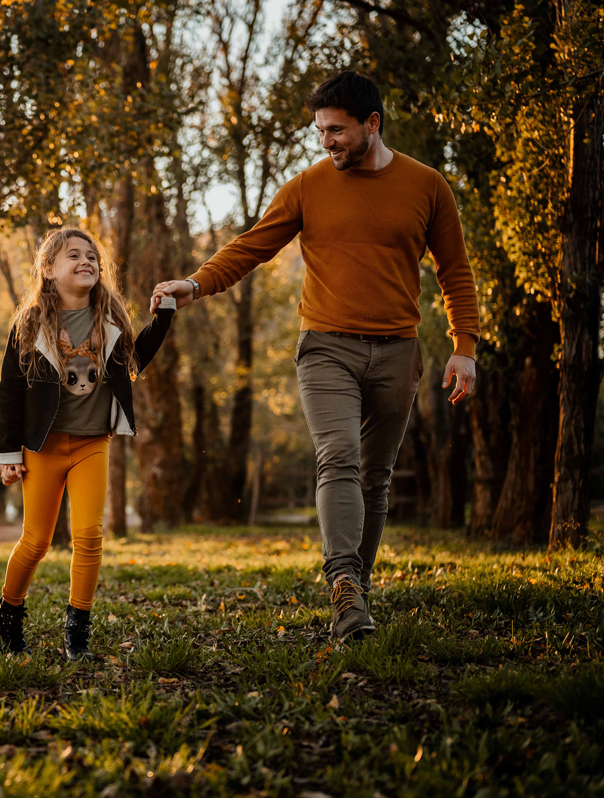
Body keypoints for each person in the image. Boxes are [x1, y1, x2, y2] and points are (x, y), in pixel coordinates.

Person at [150, 71, 481, 644]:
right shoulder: (307, 186)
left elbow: (455, 271)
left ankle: (358, 591)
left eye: (337, 130)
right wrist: (195, 284)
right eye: (320, 131)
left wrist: (465, 347)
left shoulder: (428, 186)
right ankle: (343, 584)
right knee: (340, 457)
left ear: (371, 124)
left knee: (375, 479)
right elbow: (252, 246)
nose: (326, 141)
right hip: (326, 346)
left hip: (400, 350)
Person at [0, 228, 177, 661]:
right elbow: (12, 393)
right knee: (35, 540)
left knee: (89, 536)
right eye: (73, 255)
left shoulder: (109, 318)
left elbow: (132, 362)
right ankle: (7, 613)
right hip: (43, 447)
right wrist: (8, 453)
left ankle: (77, 634)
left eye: (91, 256)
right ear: (49, 270)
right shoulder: (30, 324)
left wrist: (163, 319)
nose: (86, 261)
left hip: (93, 442)